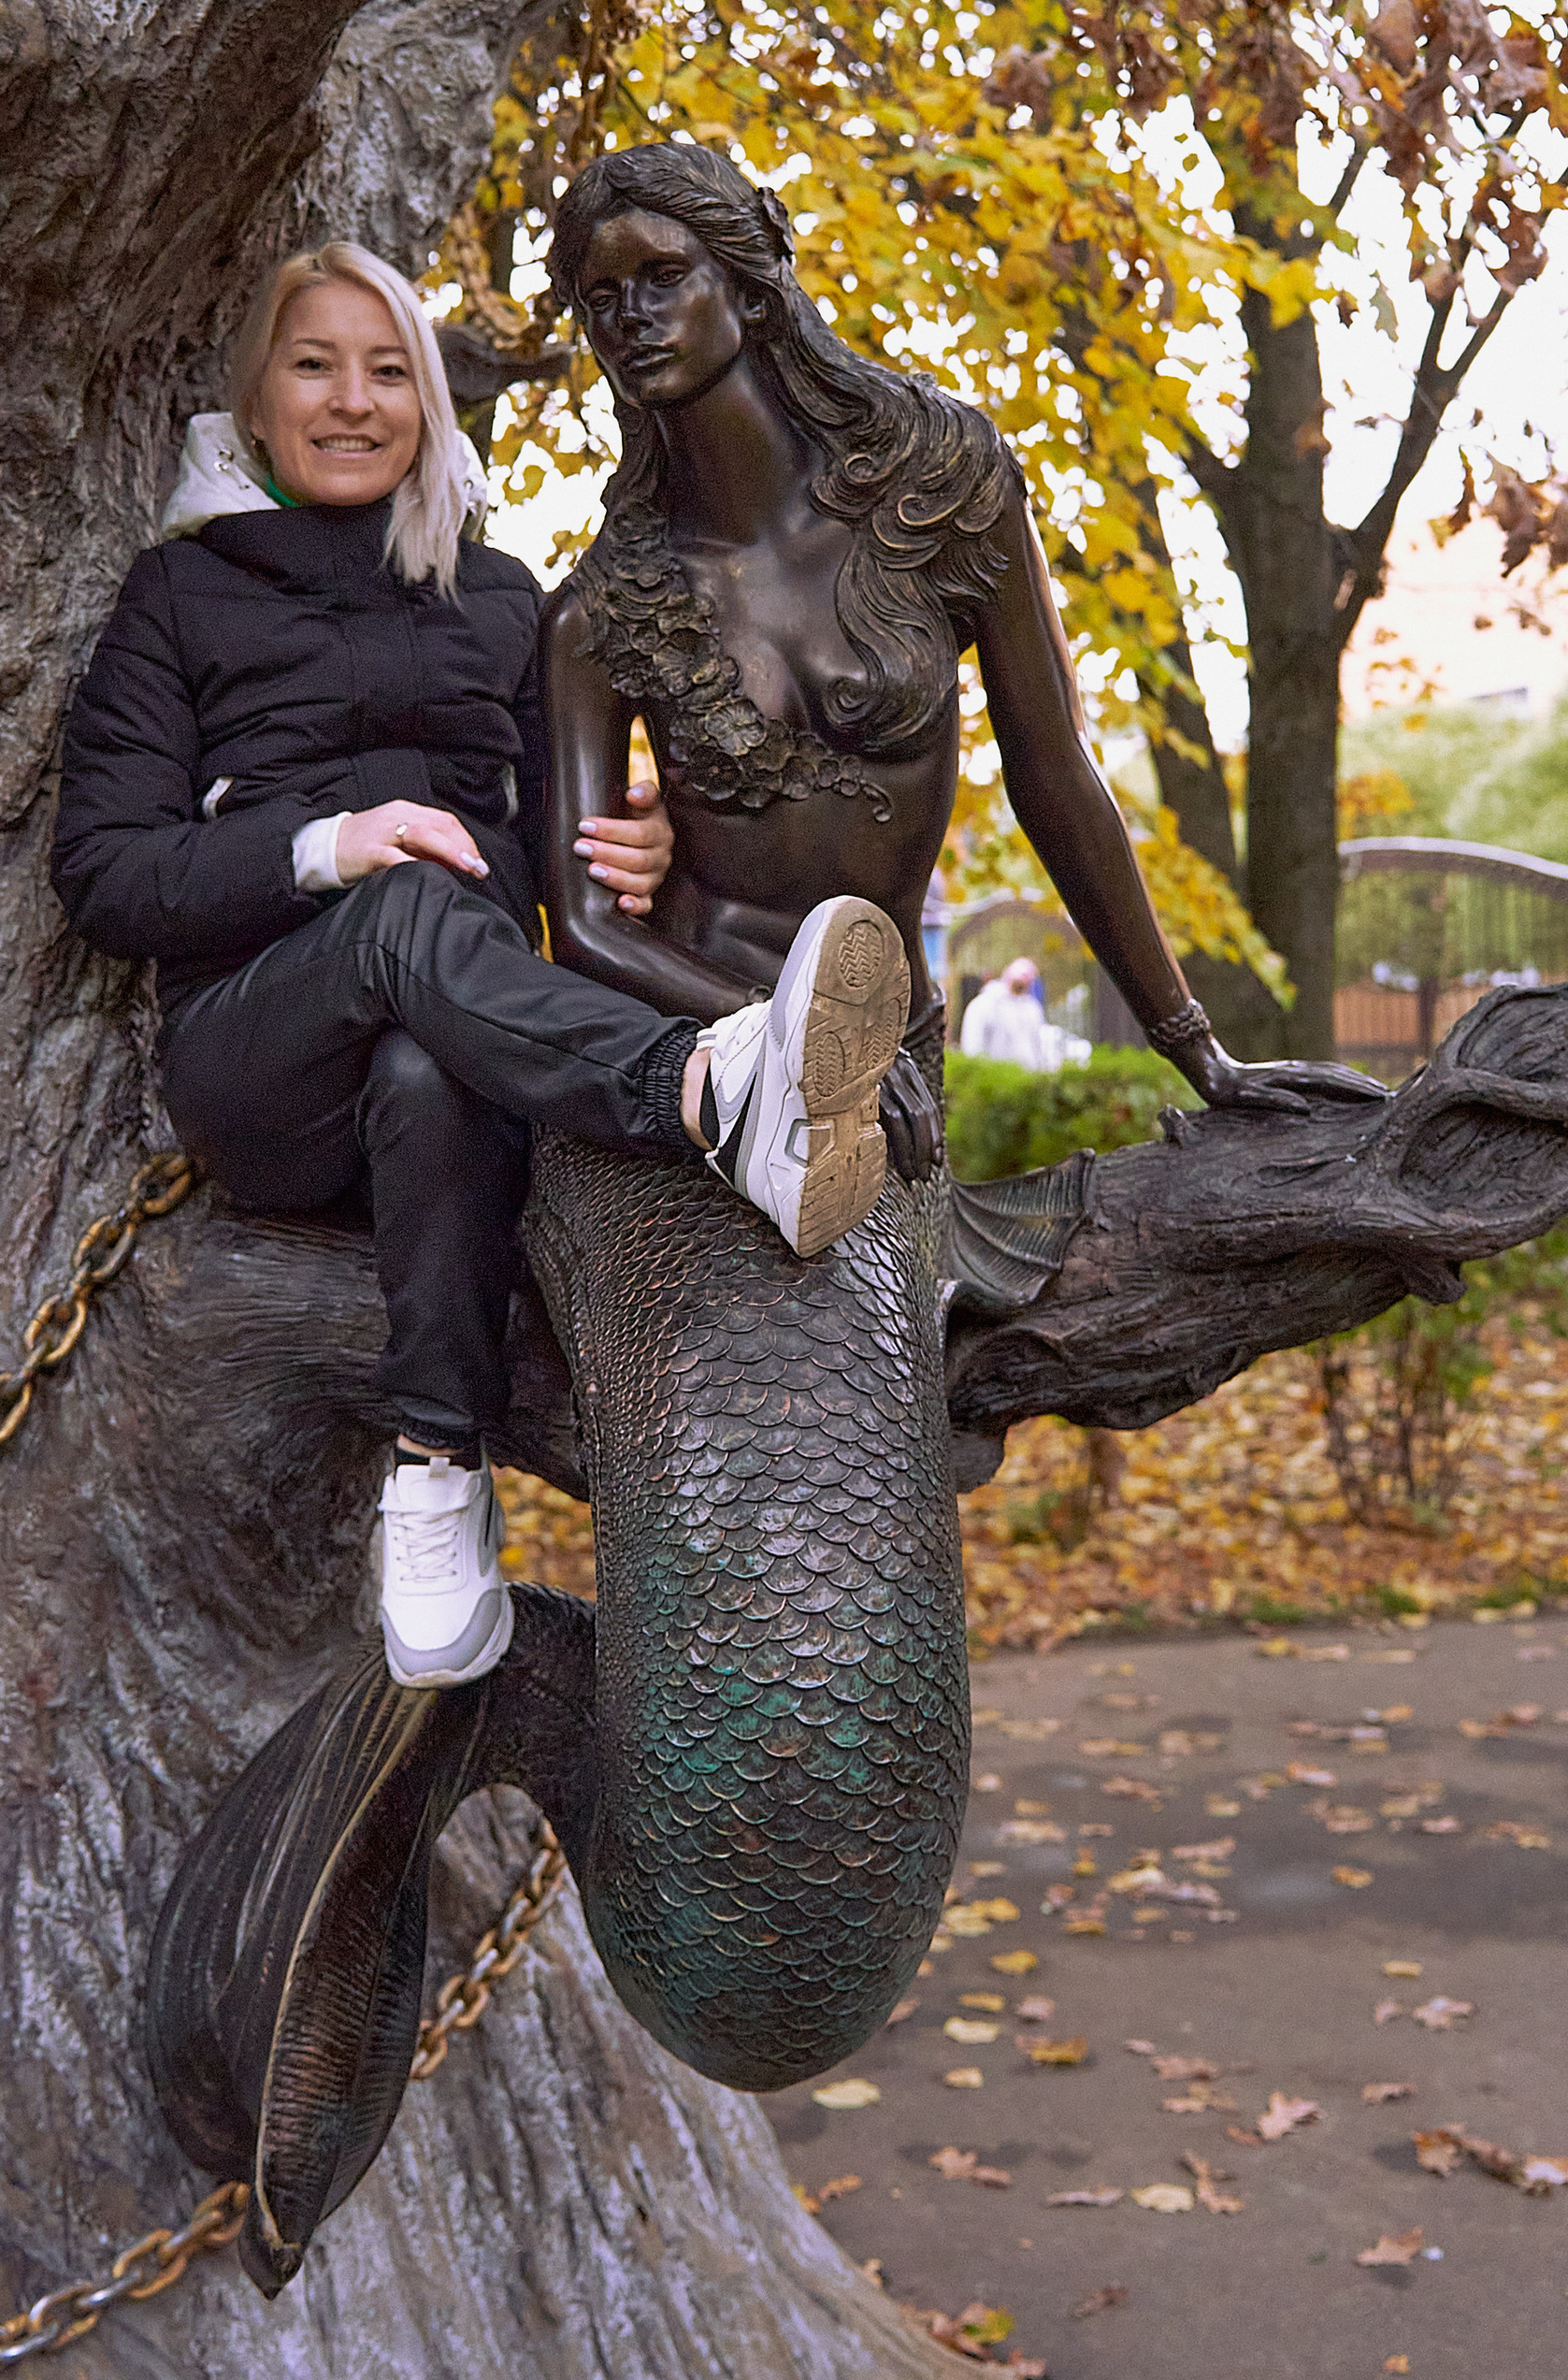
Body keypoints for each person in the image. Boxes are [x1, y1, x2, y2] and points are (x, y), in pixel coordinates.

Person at [50, 240, 919, 1697]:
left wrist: (639, 849)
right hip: (258, 1066)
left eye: (390, 371)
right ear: (256, 402)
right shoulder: (177, 600)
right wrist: (330, 844)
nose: (352, 400)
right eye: (314, 365)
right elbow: (107, 874)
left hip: (454, 1063)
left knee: (427, 1050)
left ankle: (434, 1478)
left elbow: (552, 851)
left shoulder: (505, 598)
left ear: (433, 406)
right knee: (399, 909)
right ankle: (711, 1093)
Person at [538, 145, 1375, 1166]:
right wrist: (810, 1049)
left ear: (750, 288)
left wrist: (1196, 1051)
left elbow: (1054, 769)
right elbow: (584, 929)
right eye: (600, 299)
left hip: (898, 1042)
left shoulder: (942, 488)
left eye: (663, 277)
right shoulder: (603, 608)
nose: (629, 318)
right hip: (701, 1044)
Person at [958, 954, 1078, 1069]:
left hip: (1028, 1080)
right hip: (996, 1080)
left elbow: (1038, 1045)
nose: (1024, 983)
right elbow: (972, 1046)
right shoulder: (984, 1005)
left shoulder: (1031, 1007)